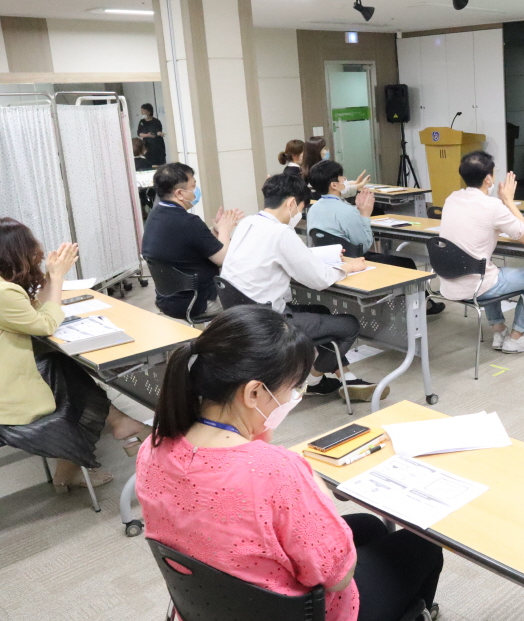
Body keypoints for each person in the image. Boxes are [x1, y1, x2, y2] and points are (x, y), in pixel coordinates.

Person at [136, 306, 442, 621]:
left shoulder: (154, 446)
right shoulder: (275, 471)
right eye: (293, 388)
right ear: (254, 392)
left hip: (212, 611)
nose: (295, 397)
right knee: (423, 546)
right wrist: (316, 490)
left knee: (369, 527)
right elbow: (339, 577)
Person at [0, 219, 151, 491]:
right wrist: (56, 278)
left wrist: (51, 277)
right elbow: (46, 324)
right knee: (70, 385)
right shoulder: (4, 292)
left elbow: (35, 313)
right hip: (7, 396)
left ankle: (120, 425)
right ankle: (117, 430)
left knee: (61, 364)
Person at [221, 174, 376, 398]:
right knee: (349, 325)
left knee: (321, 310)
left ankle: (343, 376)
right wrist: (349, 267)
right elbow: (319, 280)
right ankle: (312, 380)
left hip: (241, 314)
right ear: (292, 203)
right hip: (270, 321)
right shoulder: (281, 232)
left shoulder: (248, 223)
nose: (300, 215)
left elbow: (278, 257)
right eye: (302, 209)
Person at [439, 151, 524, 354]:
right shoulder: (493, 206)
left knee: (490, 269)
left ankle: (499, 331)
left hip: (448, 282)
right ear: (488, 179)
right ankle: (517, 337)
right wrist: (508, 201)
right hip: (476, 285)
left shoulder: (452, 198)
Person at [306, 160, 444, 315]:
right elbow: (363, 246)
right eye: (342, 178)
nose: (345, 180)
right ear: (334, 185)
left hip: (330, 263)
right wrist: (365, 215)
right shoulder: (346, 211)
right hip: (353, 262)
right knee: (406, 263)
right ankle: (422, 308)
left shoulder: (313, 209)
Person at [141, 163, 243, 320]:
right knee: (257, 293)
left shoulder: (156, 215)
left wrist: (216, 230)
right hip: (198, 301)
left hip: (169, 300)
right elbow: (223, 259)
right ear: (180, 193)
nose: (196, 191)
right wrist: (224, 230)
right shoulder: (188, 222)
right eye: (193, 186)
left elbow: (192, 242)